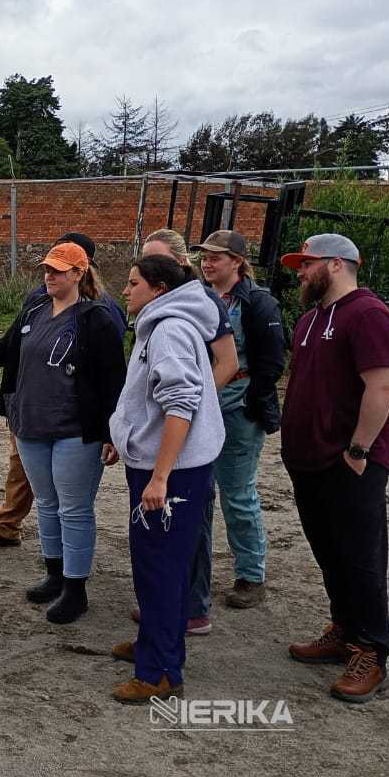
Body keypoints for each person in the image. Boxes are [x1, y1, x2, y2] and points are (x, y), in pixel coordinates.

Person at [0, 241, 126, 622]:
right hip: (30, 424)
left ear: (79, 273)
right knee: (46, 504)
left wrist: (111, 432)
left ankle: (76, 589)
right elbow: (8, 356)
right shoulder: (35, 309)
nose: (49, 276)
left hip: (75, 430)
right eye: (46, 269)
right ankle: (54, 575)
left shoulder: (96, 319)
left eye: (58, 270)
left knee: (74, 509)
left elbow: (113, 381)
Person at [280, 234, 389, 703]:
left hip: (350, 462)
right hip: (308, 459)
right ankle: (344, 630)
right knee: (329, 552)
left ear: (336, 264)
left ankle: (371, 650)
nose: (300, 273)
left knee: (361, 557)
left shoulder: (367, 314)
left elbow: (383, 386)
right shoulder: (310, 319)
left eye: (307, 264)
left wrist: (359, 450)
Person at [106, 255, 224, 704]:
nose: (126, 291)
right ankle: (158, 643)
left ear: (157, 289)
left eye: (133, 283)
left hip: (170, 475)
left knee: (160, 567)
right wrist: (124, 434)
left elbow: (180, 405)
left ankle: (159, 672)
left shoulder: (170, 330)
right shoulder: (159, 325)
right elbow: (148, 401)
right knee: (158, 564)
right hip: (159, 465)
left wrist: (160, 476)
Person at [138, 228, 237, 635]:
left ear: (176, 266)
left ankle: (193, 608)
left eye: (154, 261)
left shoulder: (199, 303)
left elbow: (227, 362)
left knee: (191, 521)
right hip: (164, 428)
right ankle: (164, 608)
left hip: (186, 433)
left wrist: (191, 408)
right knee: (160, 528)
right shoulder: (158, 309)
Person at [190, 230, 287, 613]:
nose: (207, 262)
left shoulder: (258, 304)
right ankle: (198, 570)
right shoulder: (197, 297)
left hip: (237, 410)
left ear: (237, 262)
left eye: (216, 256)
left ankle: (251, 574)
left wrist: (251, 403)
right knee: (197, 491)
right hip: (198, 406)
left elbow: (272, 363)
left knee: (237, 493)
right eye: (204, 256)